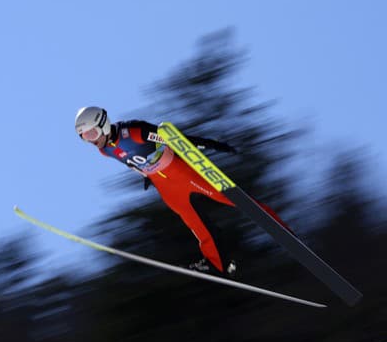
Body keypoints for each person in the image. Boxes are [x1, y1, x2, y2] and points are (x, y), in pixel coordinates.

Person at [74, 106, 291, 276]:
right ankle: (218, 263)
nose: (91, 141)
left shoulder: (134, 131)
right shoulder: (105, 151)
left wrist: (212, 144)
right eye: (85, 137)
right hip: (165, 185)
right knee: (193, 221)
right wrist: (145, 176)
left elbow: (175, 140)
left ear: (102, 123)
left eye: (92, 133)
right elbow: (130, 159)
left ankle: (281, 229)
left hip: (181, 170)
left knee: (231, 198)